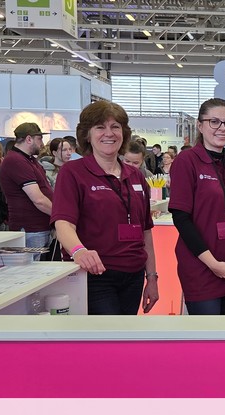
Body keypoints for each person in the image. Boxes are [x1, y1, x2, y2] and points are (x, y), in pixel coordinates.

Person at [52, 101, 159, 315]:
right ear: (87, 134)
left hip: (134, 274)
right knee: (107, 333)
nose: (109, 133)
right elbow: (63, 224)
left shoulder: (135, 175)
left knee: (126, 332)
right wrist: (79, 250)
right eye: (100, 127)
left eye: (115, 127)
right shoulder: (73, 172)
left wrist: (152, 277)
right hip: (95, 274)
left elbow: (145, 230)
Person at [169, 98, 225, 315]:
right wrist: (213, 264)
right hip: (202, 269)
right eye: (214, 122)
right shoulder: (186, 161)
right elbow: (181, 218)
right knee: (207, 334)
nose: (222, 128)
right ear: (200, 125)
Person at [0, 122, 55, 251]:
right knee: (34, 263)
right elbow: (38, 199)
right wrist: (60, 216)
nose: (42, 144)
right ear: (29, 139)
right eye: (39, 139)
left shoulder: (28, 160)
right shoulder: (16, 161)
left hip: (38, 228)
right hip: (31, 230)